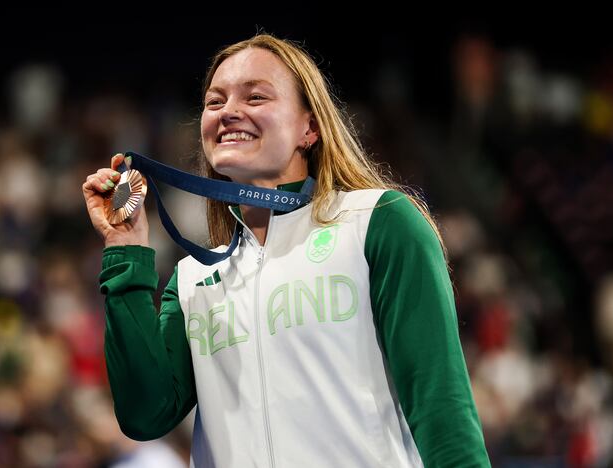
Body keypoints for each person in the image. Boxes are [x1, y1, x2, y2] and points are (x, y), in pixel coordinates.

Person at [82, 33, 491, 467]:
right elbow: (144, 415)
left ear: (308, 127)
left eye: (255, 97)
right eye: (214, 102)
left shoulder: (377, 222)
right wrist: (125, 249)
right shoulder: (193, 280)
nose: (229, 112)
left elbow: (441, 407)